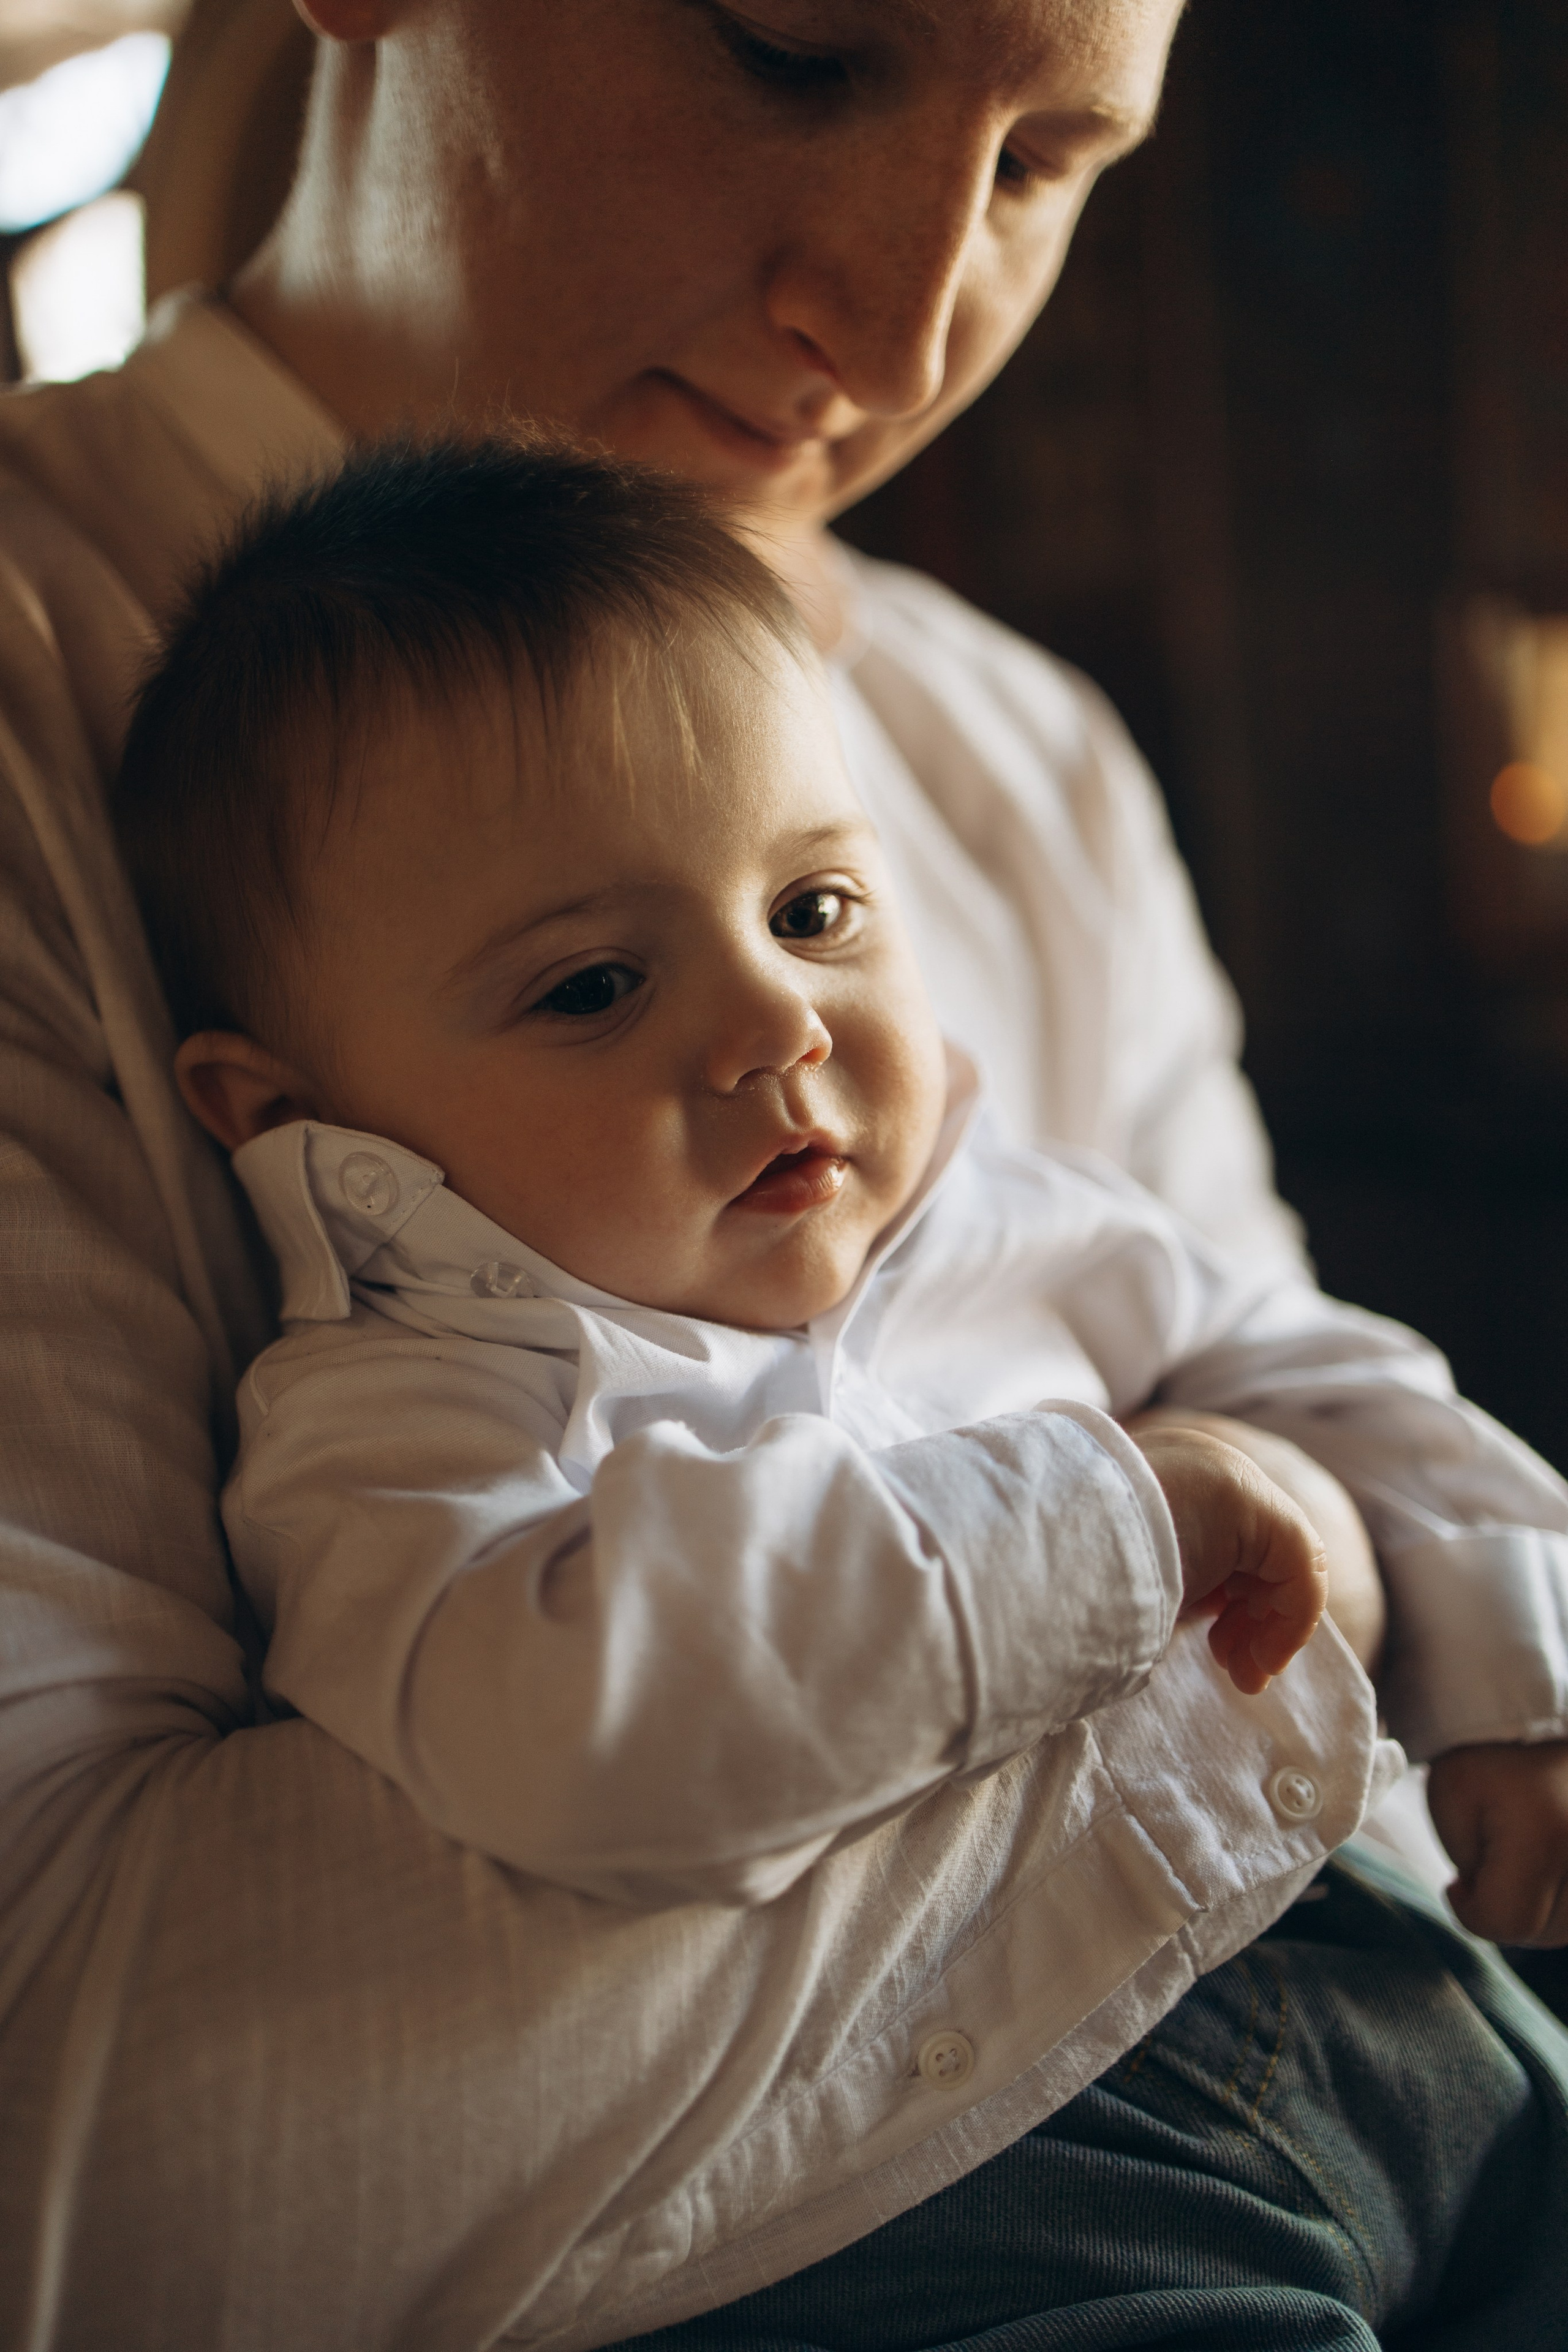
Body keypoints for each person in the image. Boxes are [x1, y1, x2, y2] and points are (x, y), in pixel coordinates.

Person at [1, 4, 1566, 2348]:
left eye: (1047, 158)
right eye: (796, 53)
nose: (915, 316)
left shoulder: (1020, 761)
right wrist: (1169, 1557)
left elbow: (1299, 1477)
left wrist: (1459, 1602)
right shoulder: (52, 704)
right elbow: (96, 2147)